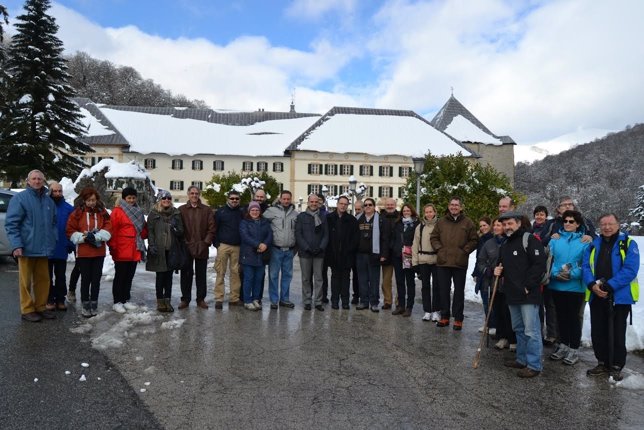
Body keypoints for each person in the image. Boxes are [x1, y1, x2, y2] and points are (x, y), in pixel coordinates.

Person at [583, 213, 639, 381]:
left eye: (610, 224)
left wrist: (610, 285)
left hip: (619, 296)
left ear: (618, 224)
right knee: (598, 330)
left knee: (617, 331)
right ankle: (602, 362)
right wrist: (592, 285)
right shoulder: (593, 244)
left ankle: (616, 365)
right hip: (596, 295)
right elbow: (586, 267)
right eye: (604, 224)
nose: (607, 227)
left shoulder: (628, 244)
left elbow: (630, 269)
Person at [494, 211, 547, 378]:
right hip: (511, 294)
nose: (507, 227)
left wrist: (527, 286)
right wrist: (497, 270)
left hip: (527, 294)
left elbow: (539, 265)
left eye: (510, 223)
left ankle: (534, 365)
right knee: (519, 329)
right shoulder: (505, 244)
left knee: (532, 331)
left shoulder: (529, 240)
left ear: (518, 223)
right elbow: (502, 265)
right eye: (504, 224)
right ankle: (522, 359)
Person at [4, 170, 58, 322]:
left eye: (39, 179)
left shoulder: (48, 201)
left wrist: (53, 239)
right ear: (28, 181)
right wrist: (16, 245)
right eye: (33, 179)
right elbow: (11, 224)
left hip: (44, 249)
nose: (37, 181)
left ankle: (40, 307)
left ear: (43, 180)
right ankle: (27, 309)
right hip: (26, 248)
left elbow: (54, 223)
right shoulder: (20, 198)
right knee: (25, 281)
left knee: (43, 280)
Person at [547, 210, 590, 365]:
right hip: (556, 284)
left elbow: (586, 264)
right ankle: (563, 344)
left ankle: (574, 348)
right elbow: (548, 260)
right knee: (561, 317)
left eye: (571, 221)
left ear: (578, 224)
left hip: (575, 286)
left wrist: (573, 274)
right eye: (565, 221)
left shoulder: (585, 241)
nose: (567, 224)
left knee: (573, 318)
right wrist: (553, 273)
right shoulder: (555, 240)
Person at [430, 196, 478, 330]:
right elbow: (433, 237)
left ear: (461, 207)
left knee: (458, 292)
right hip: (443, 262)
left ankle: (458, 319)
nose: (454, 207)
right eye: (452, 205)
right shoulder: (441, 222)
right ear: (449, 206)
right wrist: (439, 249)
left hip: (459, 262)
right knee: (443, 291)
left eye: (457, 205)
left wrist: (465, 251)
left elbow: (474, 240)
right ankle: (444, 316)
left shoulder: (468, 223)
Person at [66, 187, 112, 317]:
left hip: (99, 252)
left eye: (94, 200)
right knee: (86, 279)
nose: (92, 202)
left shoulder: (102, 213)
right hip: (84, 252)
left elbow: (109, 227)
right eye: (89, 200)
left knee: (96, 279)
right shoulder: (77, 213)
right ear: (84, 200)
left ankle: (94, 303)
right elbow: (70, 230)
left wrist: (97, 237)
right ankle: (85, 304)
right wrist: (84, 237)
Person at [108, 187, 148, 313]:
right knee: (120, 276)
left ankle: (126, 299)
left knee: (129, 276)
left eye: (133, 197)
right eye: (129, 198)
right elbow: (112, 230)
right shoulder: (117, 211)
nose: (131, 200)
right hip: (122, 248)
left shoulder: (138, 211)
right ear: (124, 198)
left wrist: (145, 233)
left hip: (135, 248)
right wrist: (113, 247)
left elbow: (143, 228)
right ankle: (117, 301)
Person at [146, 190, 184, 312]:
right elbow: (150, 231)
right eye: (164, 198)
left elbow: (181, 231)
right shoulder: (153, 213)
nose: (166, 200)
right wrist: (151, 245)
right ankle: (160, 301)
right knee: (160, 276)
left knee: (169, 277)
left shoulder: (176, 213)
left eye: (168, 198)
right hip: (159, 249)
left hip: (172, 250)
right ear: (160, 200)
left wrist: (175, 228)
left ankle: (167, 301)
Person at [179, 186, 215, 309]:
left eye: (196, 193)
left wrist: (205, 243)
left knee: (201, 275)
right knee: (186, 274)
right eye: (192, 193)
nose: (194, 195)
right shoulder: (181, 210)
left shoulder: (206, 210)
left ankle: (201, 299)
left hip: (202, 246)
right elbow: (179, 228)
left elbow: (212, 228)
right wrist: (184, 242)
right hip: (186, 247)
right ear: (188, 194)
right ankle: (185, 299)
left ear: (199, 195)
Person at [263, 190, 298, 310]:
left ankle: (284, 299)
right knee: (273, 275)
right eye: (284, 199)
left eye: (288, 199)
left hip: (289, 250)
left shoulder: (295, 214)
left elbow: (298, 231)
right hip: (275, 249)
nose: (286, 201)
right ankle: (274, 300)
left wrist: (296, 248)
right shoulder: (271, 211)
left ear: (291, 199)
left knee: (287, 276)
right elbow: (261, 223)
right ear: (280, 199)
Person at [355, 197, 390, 312]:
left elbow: (385, 238)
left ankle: (374, 302)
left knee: (374, 280)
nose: (368, 207)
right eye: (365, 205)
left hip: (374, 254)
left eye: (370, 205)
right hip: (360, 255)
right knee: (362, 279)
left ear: (374, 207)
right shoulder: (358, 219)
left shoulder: (381, 219)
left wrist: (384, 254)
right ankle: (364, 301)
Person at [295, 194, 329, 311]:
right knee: (306, 278)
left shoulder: (323, 216)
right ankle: (307, 301)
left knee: (319, 278)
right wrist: (306, 247)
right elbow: (298, 234)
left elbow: (326, 235)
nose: (314, 204)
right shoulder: (301, 217)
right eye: (312, 202)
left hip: (319, 253)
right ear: (308, 202)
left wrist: (321, 247)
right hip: (305, 253)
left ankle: (318, 302)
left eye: (316, 202)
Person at [326, 195, 359, 310]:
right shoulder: (329, 218)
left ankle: (345, 301)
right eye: (341, 203)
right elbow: (326, 237)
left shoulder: (352, 220)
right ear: (337, 204)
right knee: (335, 278)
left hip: (347, 255)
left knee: (346, 279)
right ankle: (334, 300)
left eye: (345, 204)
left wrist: (349, 250)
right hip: (333, 254)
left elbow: (355, 238)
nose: (343, 206)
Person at [239, 201, 272, 311]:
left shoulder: (265, 222)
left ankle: (256, 299)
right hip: (248, 254)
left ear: (260, 211)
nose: (255, 212)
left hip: (261, 255)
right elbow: (245, 236)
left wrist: (265, 244)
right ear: (249, 211)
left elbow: (269, 234)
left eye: (257, 210)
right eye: (252, 210)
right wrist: (258, 244)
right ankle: (247, 300)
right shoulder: (244, 222)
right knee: (248, 278)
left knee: (259, 278)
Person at [213, 190, 243, 307]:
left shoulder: (241, 213)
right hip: (223, 246)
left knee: (235, 273)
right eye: (232, 198)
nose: (234, 200)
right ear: (228, 199)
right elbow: (214, 228)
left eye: (236, 198)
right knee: (220, 272)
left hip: (237, 246)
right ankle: (219, 298)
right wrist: (216, 244)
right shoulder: (221, 212)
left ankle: (234, 298)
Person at [476, 218, 505, 337]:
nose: (496, 227)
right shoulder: (489, 243)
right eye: (495, 225)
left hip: (505, 281)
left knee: (504, 307)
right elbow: (480, 261)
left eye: (499, 225)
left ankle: (504, 332)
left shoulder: (509, 242)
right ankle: (493, 325)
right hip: (491, 279)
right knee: (490, 303)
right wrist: (488, 270)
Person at [47, 181, 74, 311]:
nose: (57, 193)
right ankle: (49, 299)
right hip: (46, 248)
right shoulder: (45, 206)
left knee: (61, 276)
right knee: (47, 276)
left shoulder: (69, 209)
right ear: (50, 192)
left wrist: (70, 245)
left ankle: (60, 299)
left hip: (62, 247)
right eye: (55, 191)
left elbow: (72, 229)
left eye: (59, 191)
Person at [412, 203, 439, 322]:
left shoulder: (439, 225)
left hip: (436, 260)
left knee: (437, 287)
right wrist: (415, 262)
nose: (428, 214)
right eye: (426, 212)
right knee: (425, 286)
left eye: (430, 212)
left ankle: (436, 311)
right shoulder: (420, 227)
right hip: (423, 259)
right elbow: (415, 245)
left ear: (434, 212)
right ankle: (427, 311)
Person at [391, 203, 419, 317]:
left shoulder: (417, 224)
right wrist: (394, 248)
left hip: (409, 256)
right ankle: (401, 305)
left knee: (410, 282)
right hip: (398, 256)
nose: (406, 212)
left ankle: (409, 306)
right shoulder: (398, 223)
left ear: (412, 211)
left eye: (408, 211)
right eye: (404, 211)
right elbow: (393, 238)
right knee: (400, 281)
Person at [472, 216, 494, 331]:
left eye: (484, 225)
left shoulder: (492, 239)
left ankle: (492, 324)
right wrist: (475, 272)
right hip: (481, 271)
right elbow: (478, 258)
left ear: (490, 226)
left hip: (489, 272)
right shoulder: (481, 239)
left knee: (489, 300)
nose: (482, 228)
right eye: (480, 226)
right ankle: (488, 322)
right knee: (485, 299)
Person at [379, 198, 399, 310]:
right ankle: (387, 301)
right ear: (385, 205)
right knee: (386, 280)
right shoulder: (381, 218)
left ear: (395, 205)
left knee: (400, 280)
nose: (390, 206)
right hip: (385, 253)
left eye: (392, 204)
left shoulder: (400, 217)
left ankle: (398, 301)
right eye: (388, 205)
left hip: (398, 253)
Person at [351, 199, 364, 304]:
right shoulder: (353, 219)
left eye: (359, 209)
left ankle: (364, 295)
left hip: (364, 251)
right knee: (355, 275)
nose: (357, 211)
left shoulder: (365, 219)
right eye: (356, 209)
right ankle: (356, 295)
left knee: (364, 276)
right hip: (355, 252)